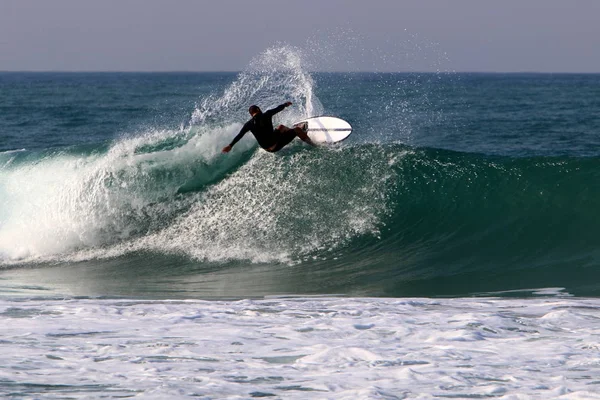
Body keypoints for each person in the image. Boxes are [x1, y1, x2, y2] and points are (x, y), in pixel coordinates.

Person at [222, 102, 315, 154]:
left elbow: (240, 135)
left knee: (281, 127)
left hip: (267, 148)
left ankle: (293, 132)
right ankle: (312, 144)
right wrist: (285, 104)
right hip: (274, 145)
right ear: (258, 109)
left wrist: (230, 145)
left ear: (251, 114)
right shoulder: (267, 114)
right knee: (297, 130)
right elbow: (278, 108)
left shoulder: (248, 124)